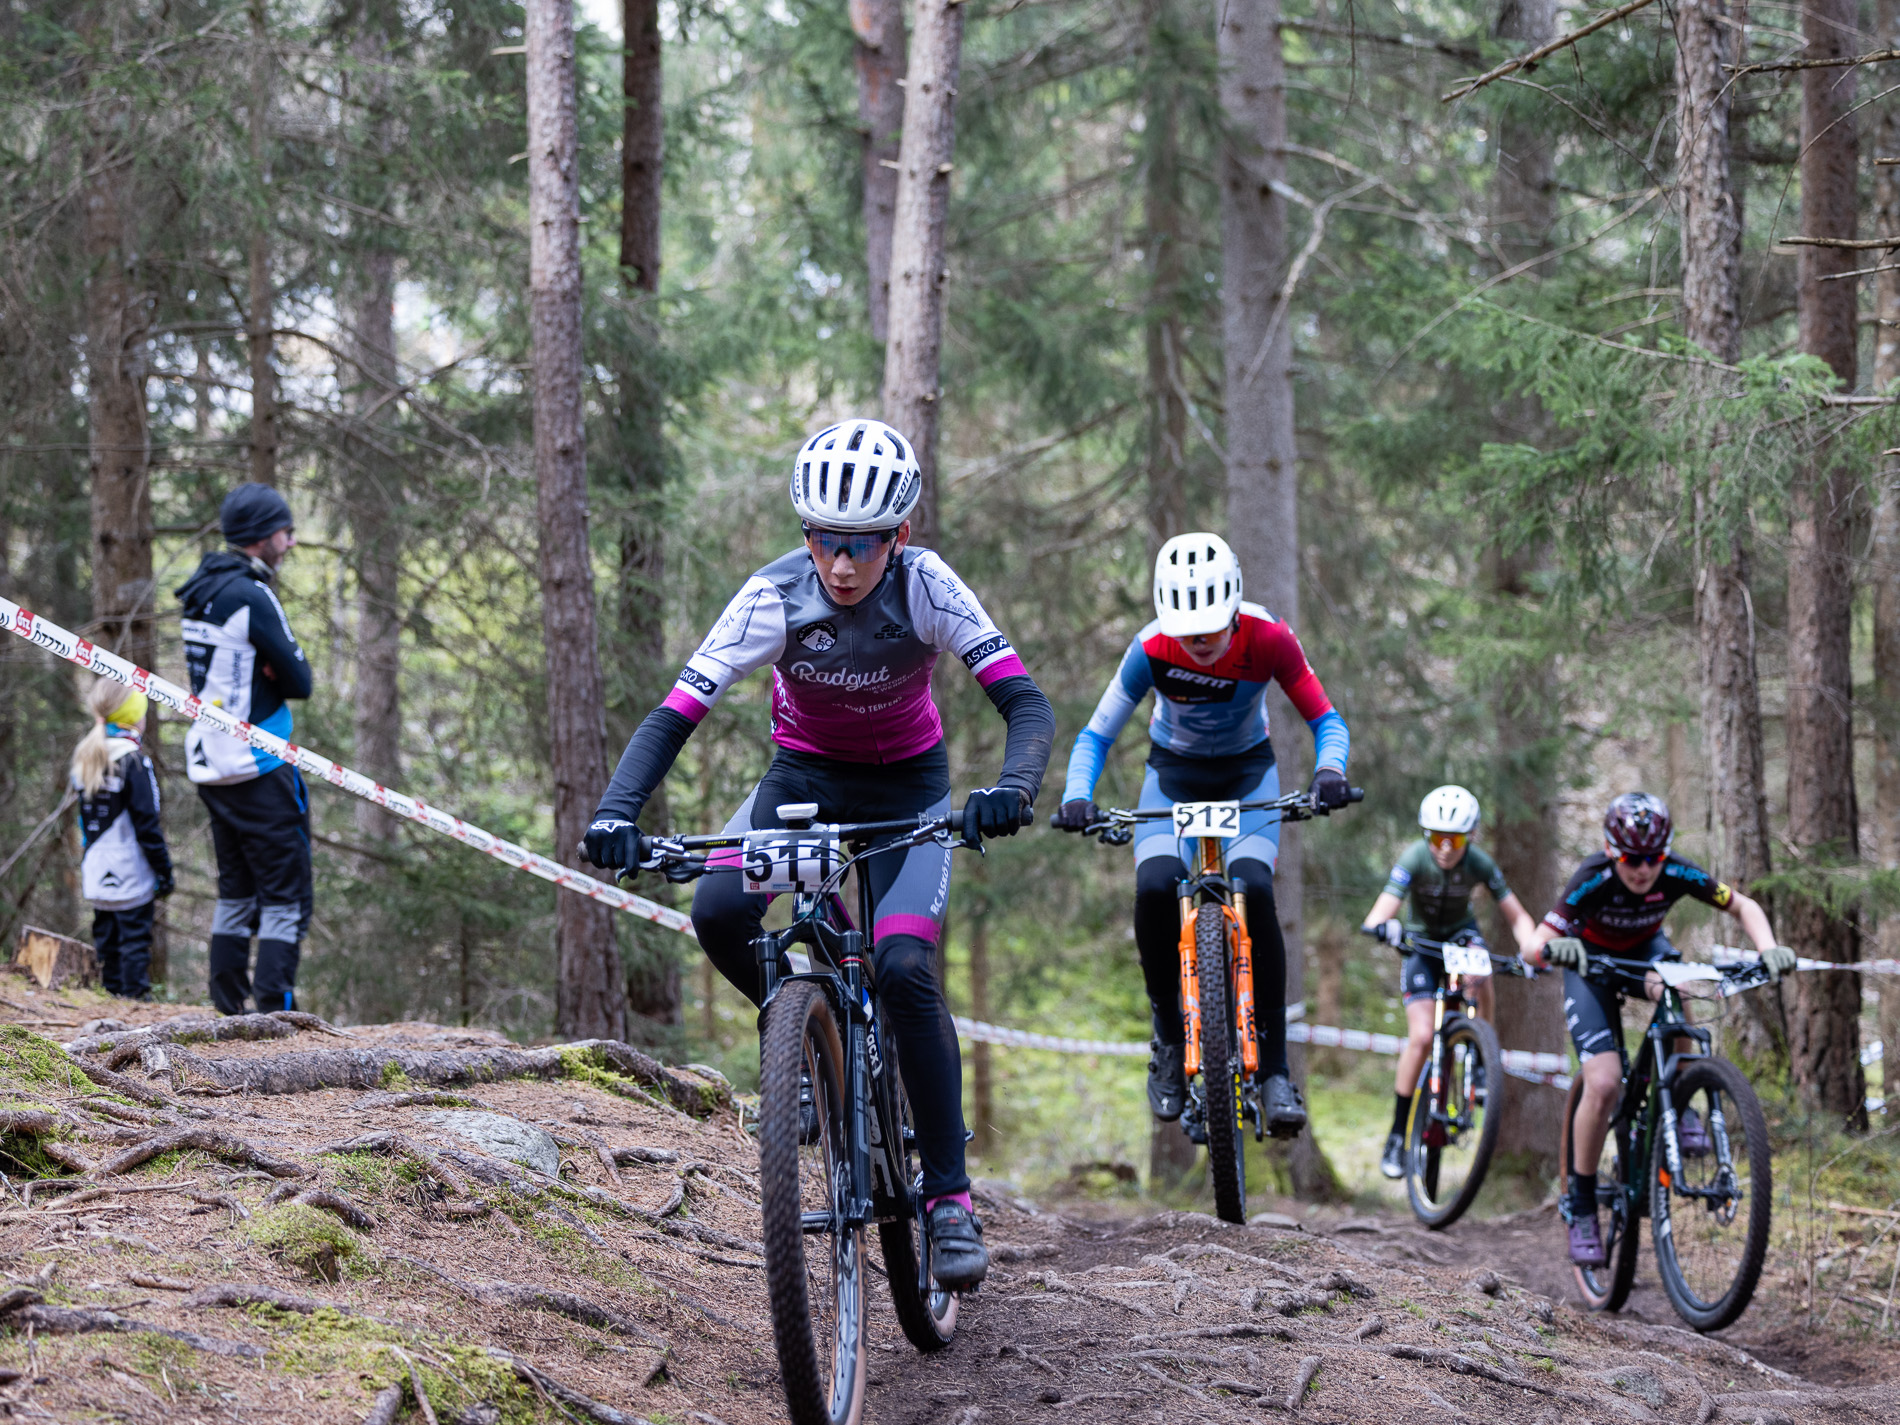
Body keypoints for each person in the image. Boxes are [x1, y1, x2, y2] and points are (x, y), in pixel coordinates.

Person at [583, 418, 1054, 1290]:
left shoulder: (927, 585)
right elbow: (675, 714)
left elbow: (1024, 702)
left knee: (904, 965)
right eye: (824, 540)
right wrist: (617, 811)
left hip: (909, 788)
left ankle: (950, 1198)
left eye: (862, 544)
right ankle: (806, 1038)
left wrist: (1013, 788)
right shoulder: (772, 595)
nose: (840, 564)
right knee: (717, 910)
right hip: (803, 781)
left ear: (898, 535)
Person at [1054, 532, 1351, 1139]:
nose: (1199, 643)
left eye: (1210, 630)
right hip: (1173, 777)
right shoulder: (1150, 647)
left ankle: (1275, 1072)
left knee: (1255, 888)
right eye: (1188, 633)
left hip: (1248, 776)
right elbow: (1095, 735)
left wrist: (1330, 772)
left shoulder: (1268, 636)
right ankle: (1169, 1040)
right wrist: (1077, 796)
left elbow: (1327, 719)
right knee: (1156, 887)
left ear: (1234, 608)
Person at [1519, 792, 1796, 1267]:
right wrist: (1553, 949)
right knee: (1604, 1083)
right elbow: (1533, 945)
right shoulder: (1592, 876)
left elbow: (1743, 906)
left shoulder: (1678, 871)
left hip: (1646, 954)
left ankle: (1680, 1103)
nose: (1643, 869)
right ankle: (1581, 1207)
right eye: (1632, 859)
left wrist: (1768, 948)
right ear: (1611, 851)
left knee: (1680, 987)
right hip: (1592, 966)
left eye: (1653, 859)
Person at [177, 483, 314, 1016]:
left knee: (235, 887)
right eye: (286, 531)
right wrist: (273, 669)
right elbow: (300, 680)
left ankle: (227, 1006)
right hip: (258, 761)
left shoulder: (201, 588)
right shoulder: (252, 594)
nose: (292, 542)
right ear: (262, 536)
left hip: (210, 762)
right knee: (286, 892)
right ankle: (276, 1010)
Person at [1360, 784, 1538, 1180]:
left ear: (1469, 837)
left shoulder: (1479, 862)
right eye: (1437, 837)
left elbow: (1517, 915)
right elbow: (1381, 910)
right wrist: (1383, 926)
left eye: (1454, 839)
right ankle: (1396, 1134)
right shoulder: (1415, 857)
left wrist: (1530, 949)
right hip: (1422, 943)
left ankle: (1480, 1054)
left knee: (1481, 972)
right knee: (1422, 1037)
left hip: (1461, 936)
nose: (1444, 847)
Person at [71, 677, 173, 1000]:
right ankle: (134, 1008)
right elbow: (147, 825)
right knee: (134, 943)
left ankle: (109, 1004)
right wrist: (164, 871)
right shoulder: (133, 760)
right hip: (130, 869)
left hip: (96, 867)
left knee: (107, 942)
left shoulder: (86, 754)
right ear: (134, 716)